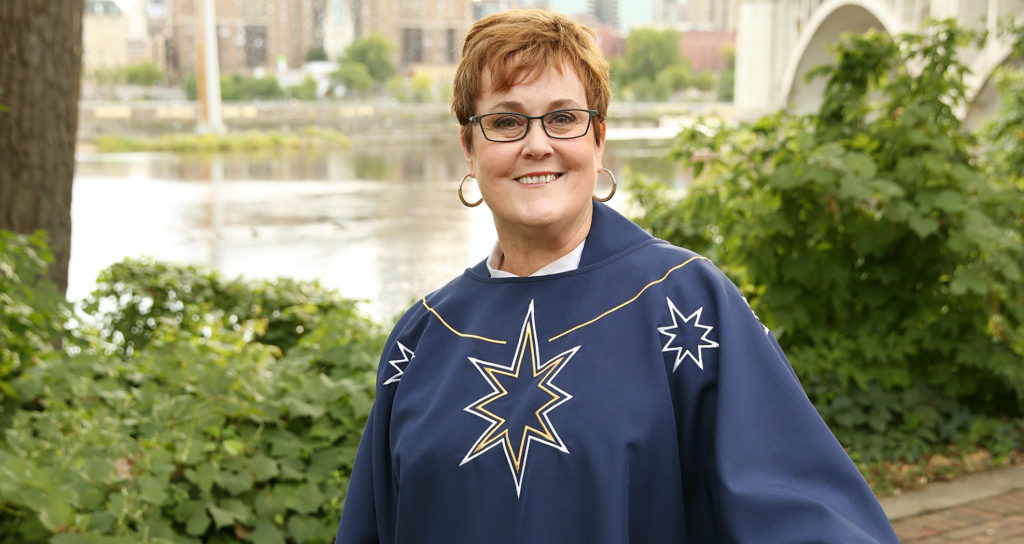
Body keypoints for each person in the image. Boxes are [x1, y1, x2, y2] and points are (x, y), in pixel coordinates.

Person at [334, 9, 898, 544]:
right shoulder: (425, 335)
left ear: (597, 139)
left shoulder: (683, 300)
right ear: (469, 146)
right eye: (505, 121)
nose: (537, 144)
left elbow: (799, 511)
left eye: (563, 118)